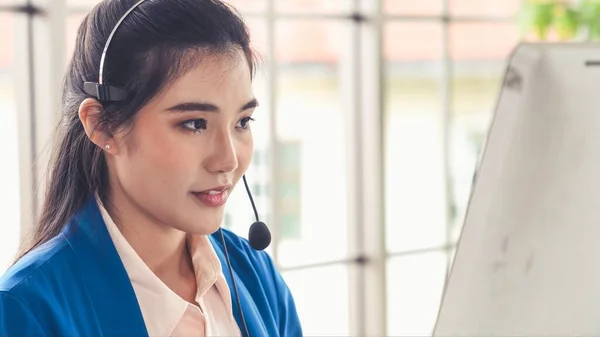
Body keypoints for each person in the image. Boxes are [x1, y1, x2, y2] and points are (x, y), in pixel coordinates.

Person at [0, 0, 302, 336]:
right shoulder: (27, 311)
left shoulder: (255, 275)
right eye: (194, 124)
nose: (228, 160)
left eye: (242, 121)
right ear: (102, 126)